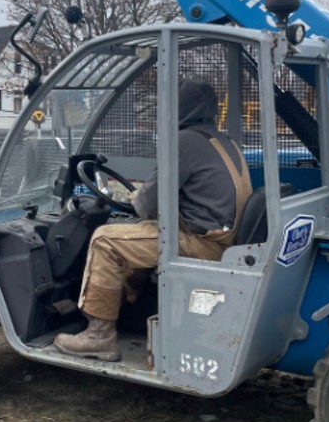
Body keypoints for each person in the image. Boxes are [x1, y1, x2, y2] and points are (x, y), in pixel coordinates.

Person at [55, 79, 252, 362]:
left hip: (204, 244)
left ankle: (100, 336)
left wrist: (136, 199)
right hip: (224, 237)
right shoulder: (223, 141)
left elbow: (147, 205)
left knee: (105, 239)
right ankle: (124, 310)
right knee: (138, 232)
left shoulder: (184, 142)